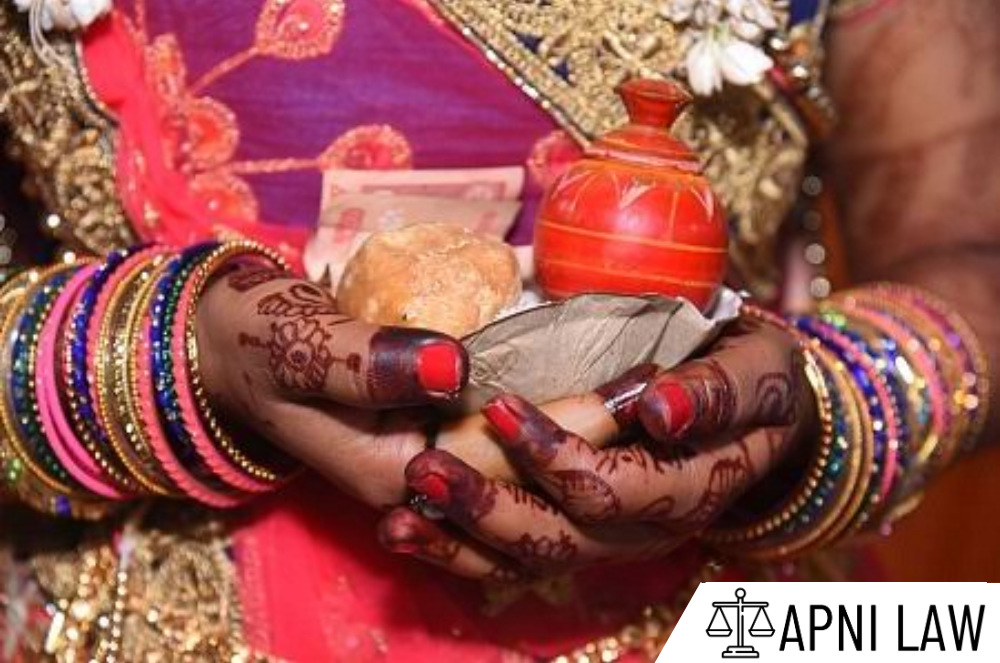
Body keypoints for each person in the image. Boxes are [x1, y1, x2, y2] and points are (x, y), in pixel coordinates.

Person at [0, 0, 996, 660]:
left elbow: (972, 243)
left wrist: (823, 415)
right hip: (145, 605)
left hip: (731, 621)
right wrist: (158, 357)